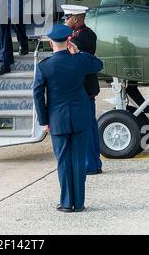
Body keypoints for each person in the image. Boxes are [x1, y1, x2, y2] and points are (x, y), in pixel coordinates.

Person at [33, 24, 103, 212]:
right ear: (69, 40)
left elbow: (38, 94)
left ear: (50, 43)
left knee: (63, 161)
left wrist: (44, 121)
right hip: (80, 117)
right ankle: (79, 203)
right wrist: (79, 52)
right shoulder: (79, 60)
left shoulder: (45, 67)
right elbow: (98, 64)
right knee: (79, 161)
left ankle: (66, 203)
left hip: (57, 120)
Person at [62, 4, 103, 175]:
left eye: (67, 18)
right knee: (89, 127)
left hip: (83, 90)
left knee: (86, 128)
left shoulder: (83, 37)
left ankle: (90, 164)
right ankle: (93, 163)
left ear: (76, 19)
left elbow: (67, 52)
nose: (65, 21)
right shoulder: (78, 35)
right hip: (84, 89)